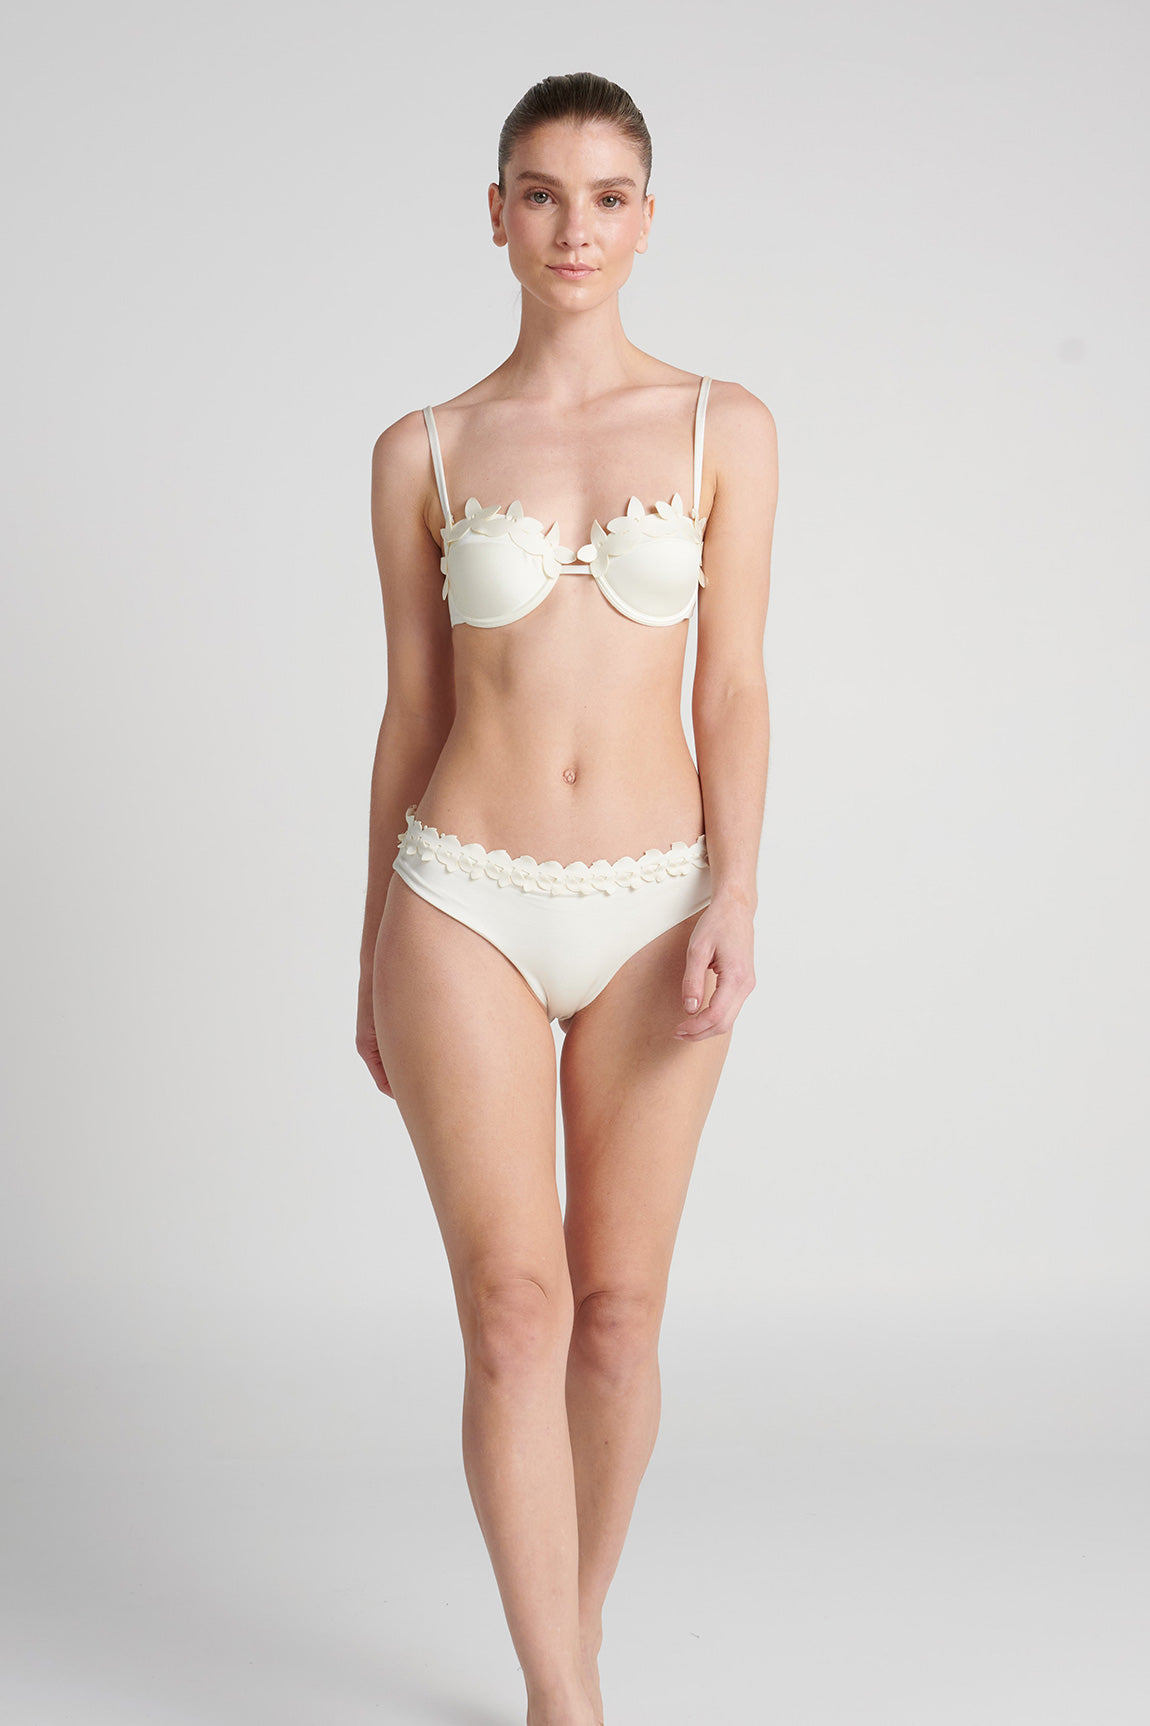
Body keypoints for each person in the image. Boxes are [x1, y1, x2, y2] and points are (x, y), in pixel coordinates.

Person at [356, 70, 777, 1726]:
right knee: (515, 1311)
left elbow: (732, 686)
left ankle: (570, 1638)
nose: (572, 227)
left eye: (605, 196)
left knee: (615, 1318)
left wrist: (738, 887)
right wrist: (367, 947)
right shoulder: (424, 448)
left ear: (647, 219)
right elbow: (409, 710)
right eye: (540, 193)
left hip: (660, 900)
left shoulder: (722, 426)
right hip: (459, 893)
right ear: (496, 215)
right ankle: (565, 1700)